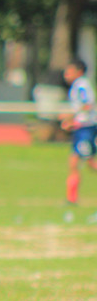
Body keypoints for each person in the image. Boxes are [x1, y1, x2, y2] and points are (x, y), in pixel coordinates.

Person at [59, 58, 97, 208]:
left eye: (69, 71)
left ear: (79, 72)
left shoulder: (81, 85)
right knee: (74, 162)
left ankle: (72, 199)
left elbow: (87, 104)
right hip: (81, 128)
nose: (66, 74)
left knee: (90, 163)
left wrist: (70, 118)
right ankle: (71, 198)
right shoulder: (77, 85)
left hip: (87, 128)